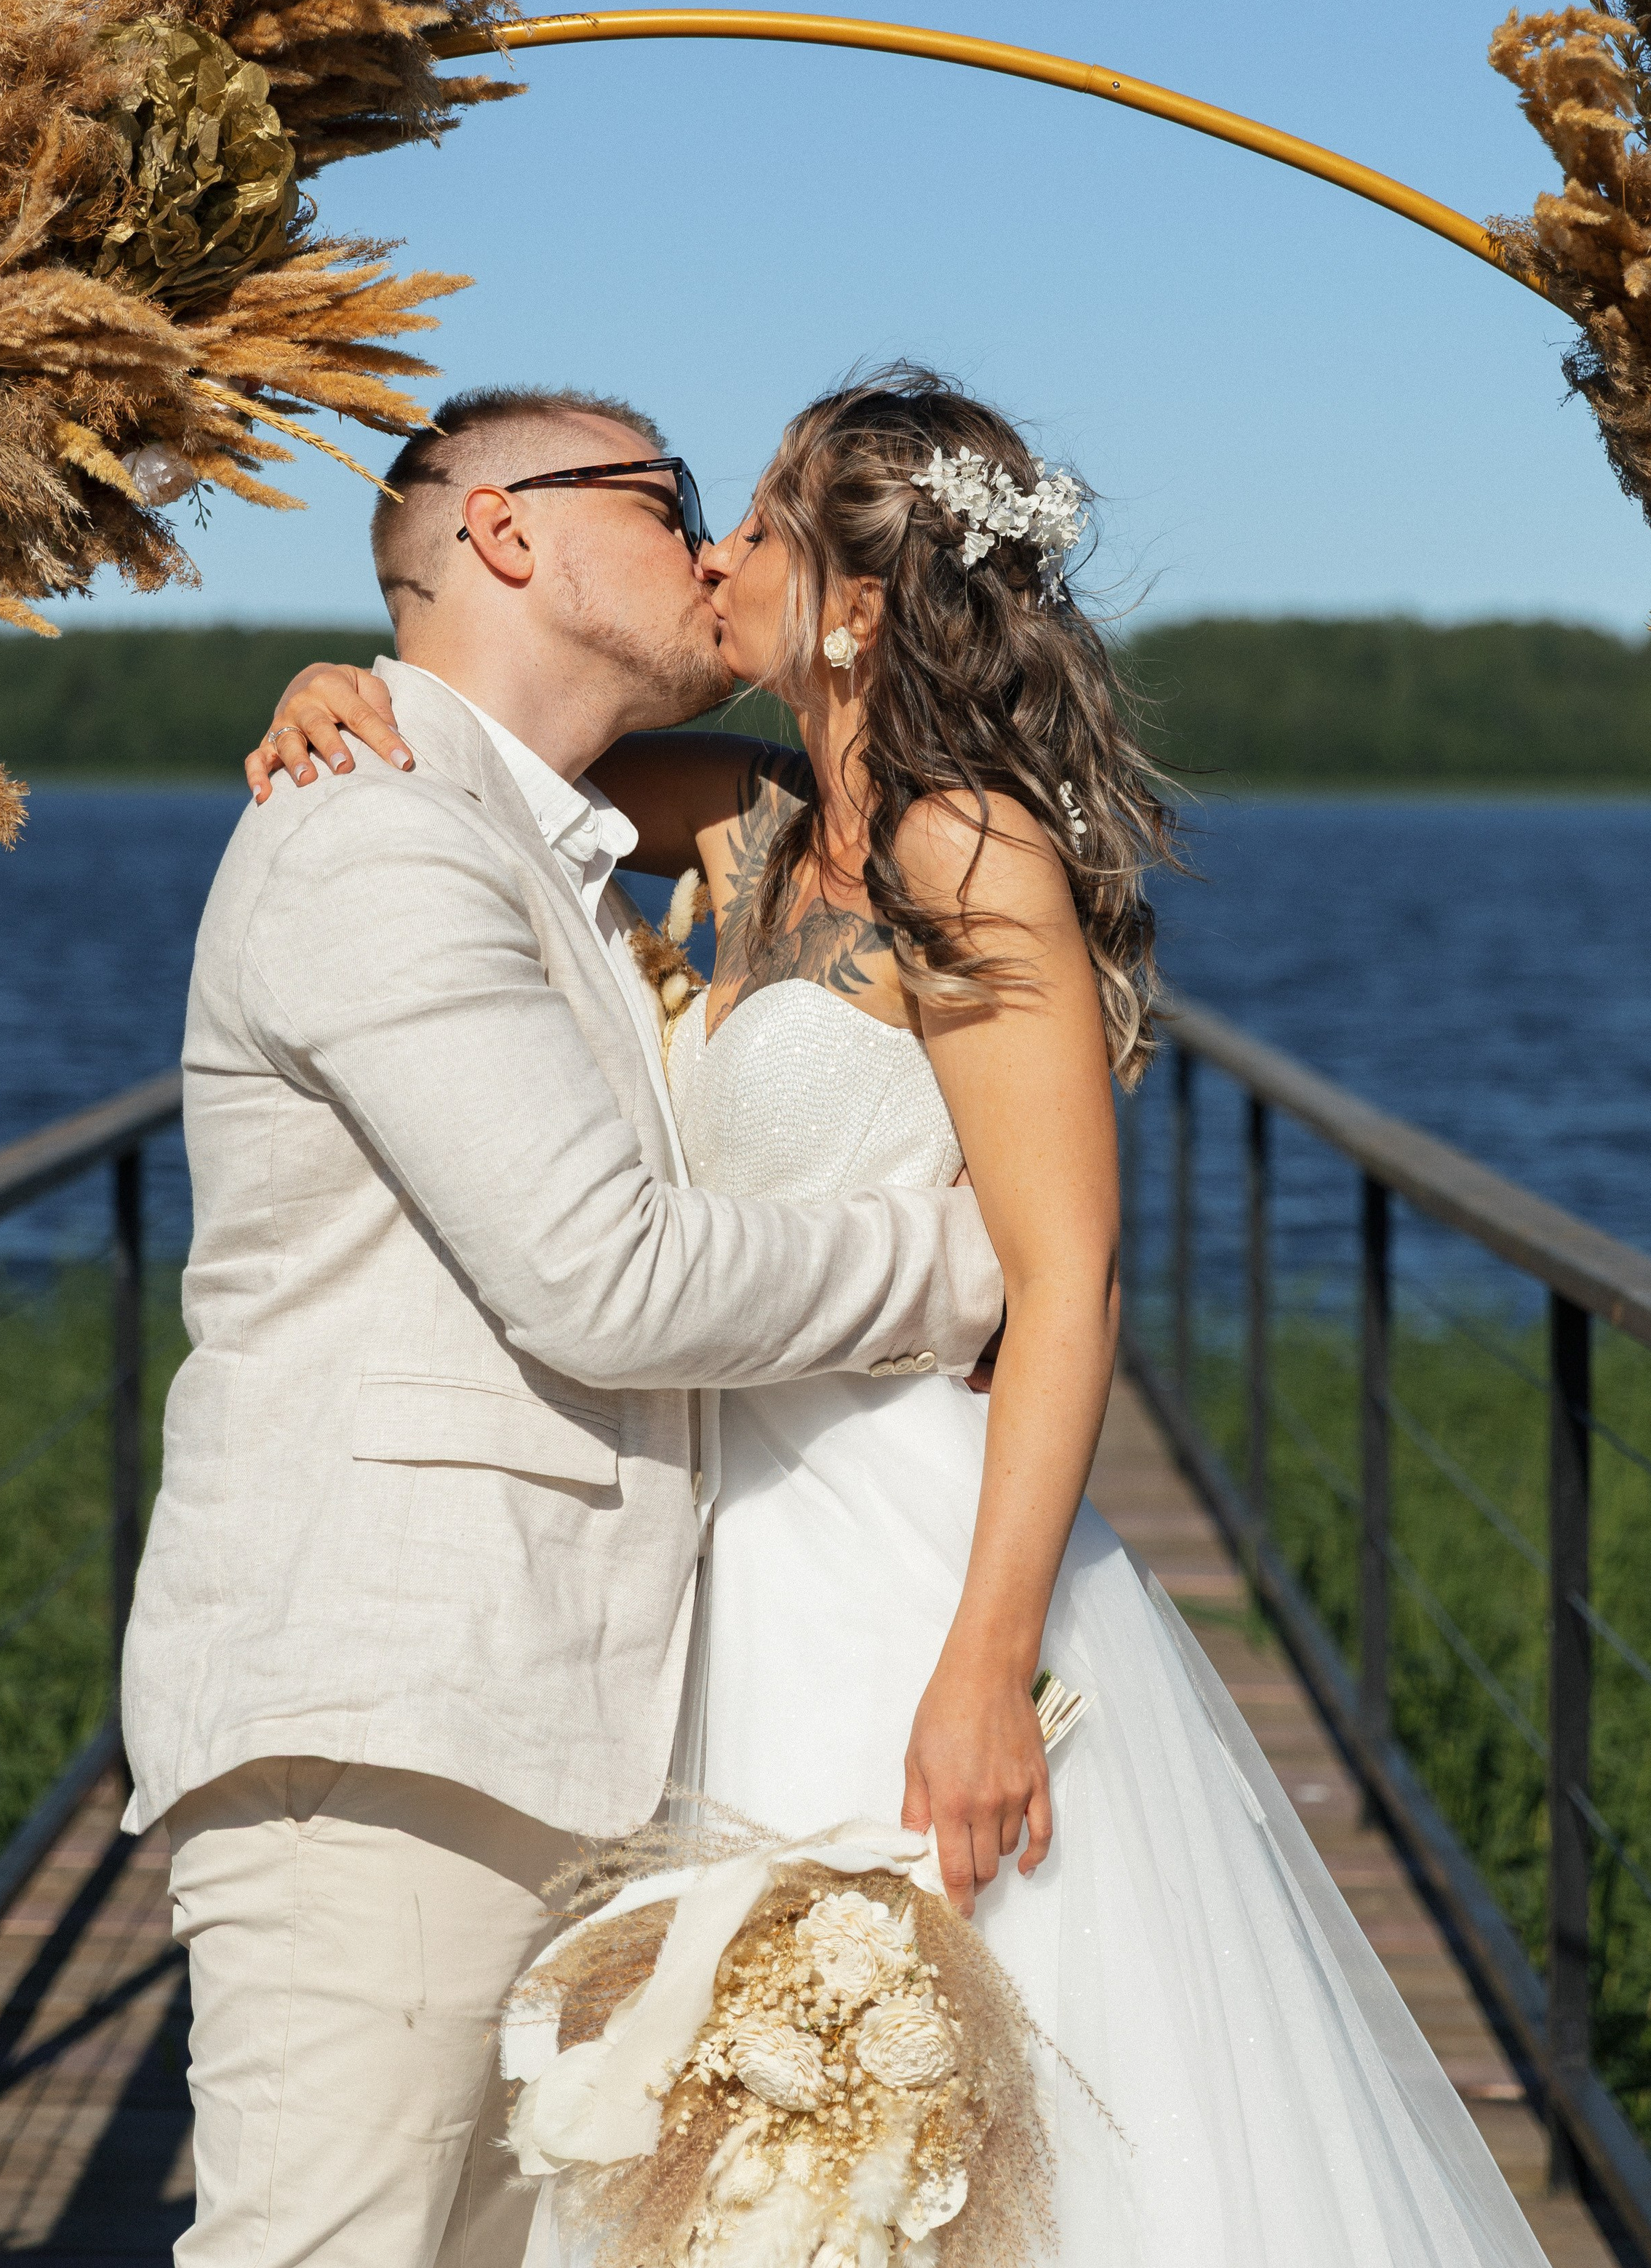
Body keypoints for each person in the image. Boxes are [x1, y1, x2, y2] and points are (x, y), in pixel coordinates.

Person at [254, 367, 1549, 2267]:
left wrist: (987, 1662)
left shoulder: (969, 854)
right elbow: (503, 762)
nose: (716, 553)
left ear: (852, 607)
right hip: (719, 1545)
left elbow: (1068, 1281)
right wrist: (322, 691)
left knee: (936, 2091)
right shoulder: (762, 833)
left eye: (759, 524)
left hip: (902, 1551)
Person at [121, 383, 1010, 2268]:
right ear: (507, 530)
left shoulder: (564, 852)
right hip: (394, 1726)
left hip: (565, 1729)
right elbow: (601, 1274)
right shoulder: (377, 836)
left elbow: (849, 835)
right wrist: (957, 1266)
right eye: (667, 493)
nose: (707, 544)